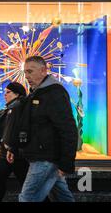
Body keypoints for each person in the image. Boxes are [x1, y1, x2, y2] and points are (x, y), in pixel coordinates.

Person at [7, 56, 78, 202]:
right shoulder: (36, 93)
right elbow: (27, 125)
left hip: (45, 158)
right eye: (25, 72)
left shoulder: (54, 93)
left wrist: (66, 162)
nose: (26, 76)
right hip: (42, 156)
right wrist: (14, 147)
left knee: (27, 198)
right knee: (62, 197)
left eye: (30, 72)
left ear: (43, 70)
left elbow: (68, 129)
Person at [0, 81, 29, 202]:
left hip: (14, 154)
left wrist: (11, 148)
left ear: (17, 94)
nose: (5, 95)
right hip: (11, 153)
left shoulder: (16, 108)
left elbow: (15, 131)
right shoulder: (15, 107)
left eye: (8, 92)